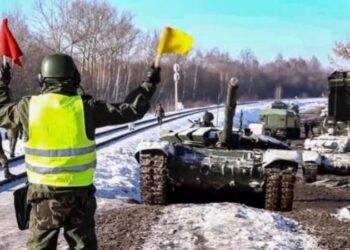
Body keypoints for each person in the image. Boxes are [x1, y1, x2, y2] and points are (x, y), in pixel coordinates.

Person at [0, 54, 161, 250]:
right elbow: (131, 110)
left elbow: (1, 112)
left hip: (43, 197)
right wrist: (149, 83)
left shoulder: (29, 107)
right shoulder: (86, 108)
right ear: (75, 77)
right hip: (79, 198)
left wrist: (3, 82)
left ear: (42, 79)